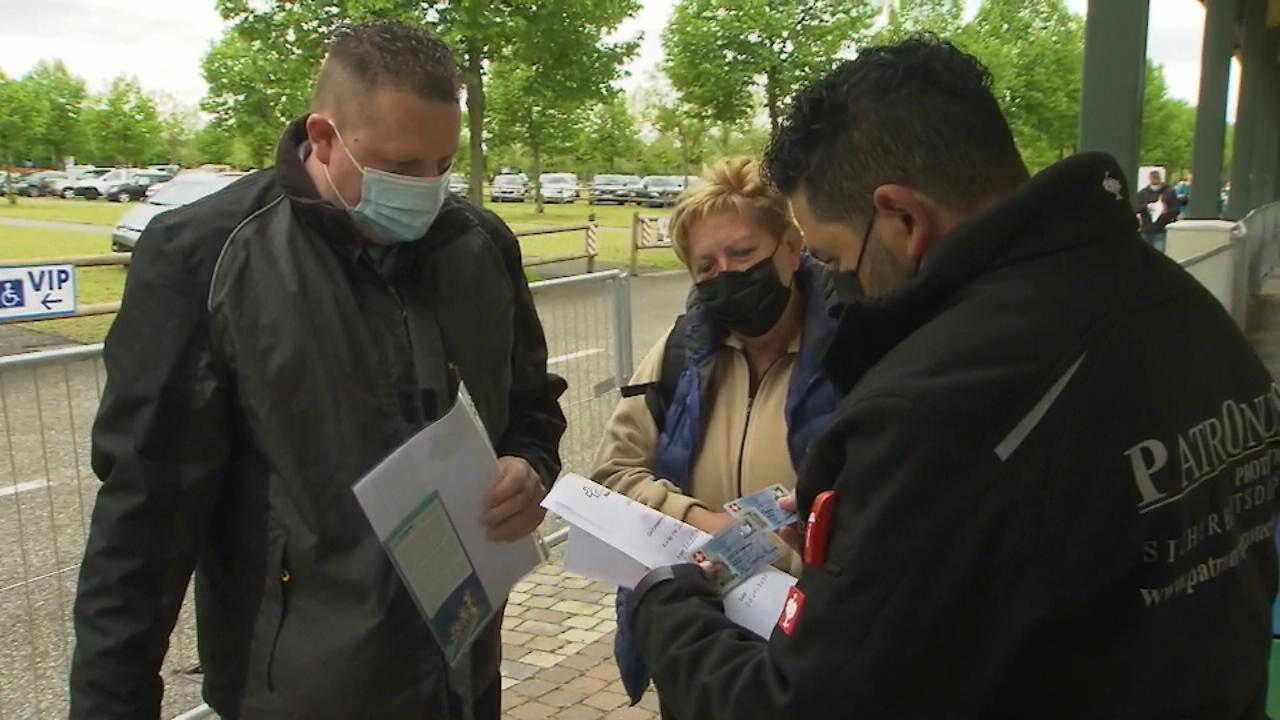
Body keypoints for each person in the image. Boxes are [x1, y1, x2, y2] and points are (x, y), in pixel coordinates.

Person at [625, 38, 1279, 719]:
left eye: (832, 257)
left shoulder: (932, 411)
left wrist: (665, 607)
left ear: (904, 217)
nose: (836, 287)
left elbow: (805, 704)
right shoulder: (1186, 308)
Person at [69, 21, 566, 720]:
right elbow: (143, 517)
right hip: (302, 691)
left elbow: (531, 403)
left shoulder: (479, 247)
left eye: (441, 165)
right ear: (324, 138)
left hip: (460, 669)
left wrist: (531, 464)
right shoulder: (206, 258)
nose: (426, 191)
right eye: (401, 167)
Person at [590, 157, 840, 706]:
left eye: (744, 254)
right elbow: (613, 474)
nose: (726, 274)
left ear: (792, 249)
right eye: (706, 265)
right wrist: (704, 523)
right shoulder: (680, 354)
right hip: (698, 643)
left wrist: (774, 553)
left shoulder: (853, 358)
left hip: (808, 653)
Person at [1136, 169, 1179, 252]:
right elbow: (1136, 207)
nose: (1155, 183)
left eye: (1157, 180)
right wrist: (1147, 206)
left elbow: (1176, 209)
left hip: (1161, 228)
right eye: (1153, 180)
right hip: (1146, 228)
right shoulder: (1143, 193)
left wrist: (1166, 211)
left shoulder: (1168, 193)